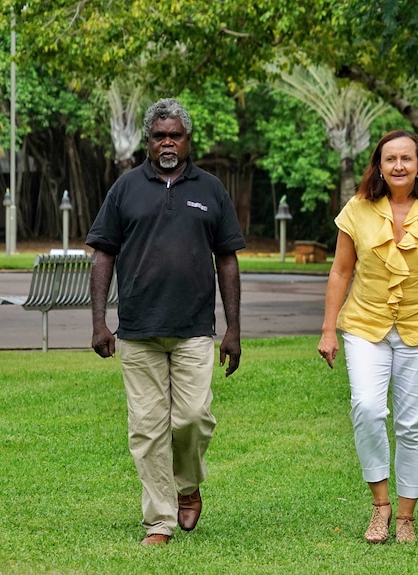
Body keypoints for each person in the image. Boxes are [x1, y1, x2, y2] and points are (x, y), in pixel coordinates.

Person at [87, 98, 246, 546]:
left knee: (193, 418)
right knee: (147, 427)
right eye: (160, 136)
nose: (168, 142)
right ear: (147, 141)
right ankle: (160, 520)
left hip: (195, 328)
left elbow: (228, 260)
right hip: (138, 331)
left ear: (188, 139)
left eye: (175, 135)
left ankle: (188, 485)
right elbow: (103, 255)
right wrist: (100, 322)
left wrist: (233, 329)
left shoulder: (211, 188)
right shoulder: (125, 189)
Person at [317, 130, 418, 544]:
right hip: (366, 325)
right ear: (379, 167)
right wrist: (328, 329)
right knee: (367, 408)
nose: (399, 166)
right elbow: (340, 272)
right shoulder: (357, 209)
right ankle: (379, 507)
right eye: (391, 159)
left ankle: (405, 515)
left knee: (413, 424)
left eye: (406, 158)